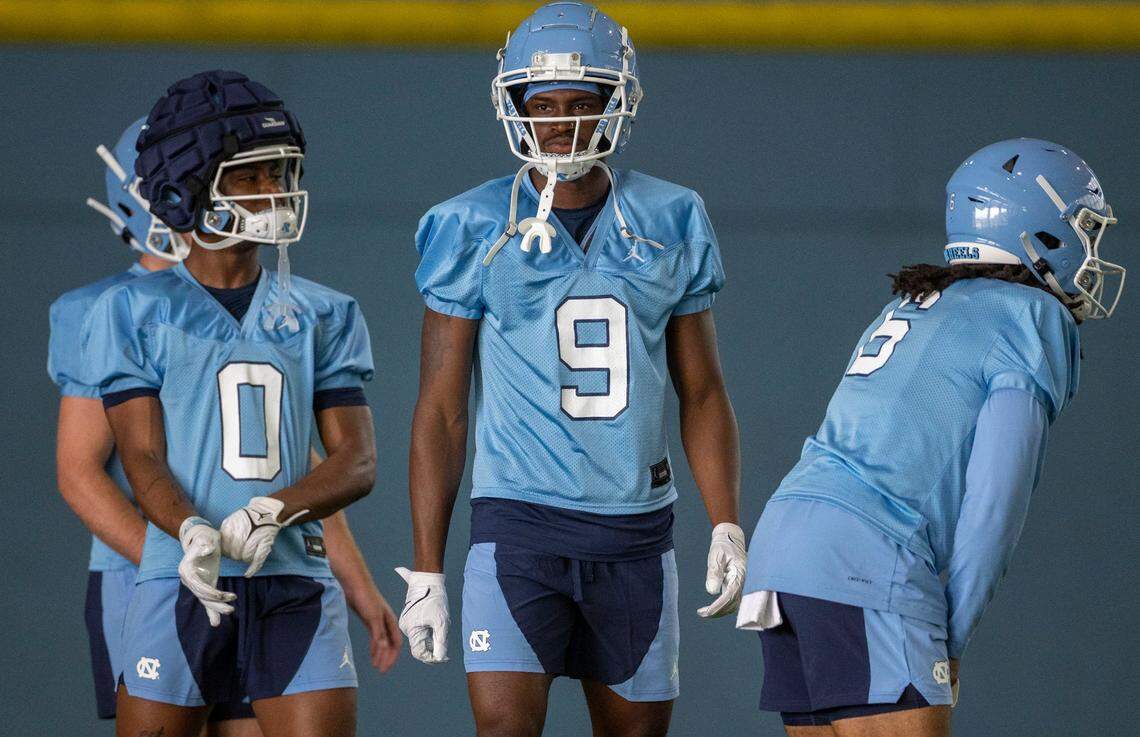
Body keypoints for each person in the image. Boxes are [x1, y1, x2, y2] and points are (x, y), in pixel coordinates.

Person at [397, 4, 746, 736]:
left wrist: (726, 522)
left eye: (581, 104)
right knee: (503, 727)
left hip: (635, 533)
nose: (560, 124)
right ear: (516, 108)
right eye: (544, 105)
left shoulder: (672, 216)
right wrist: (427, 566)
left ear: (615, 105)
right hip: (518, 523)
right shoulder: (469, 225)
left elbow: (703, 388)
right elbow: (440, 409)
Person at [736, 139, 1124, 737]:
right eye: (1084, 228)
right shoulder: (1029, 314)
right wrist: (952, 636)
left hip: (786, 550)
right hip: (868, 556)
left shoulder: (919, 301)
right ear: (1040, 230)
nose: (1092, 247)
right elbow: (996, 499)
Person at [79, 71, 384, 737]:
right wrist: (190, 530)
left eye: (280, 170)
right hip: (180, 579)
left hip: (294, 582)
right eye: (251, 175)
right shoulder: (131, 312)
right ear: (185, 187)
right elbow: (141, 455)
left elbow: (358, 462)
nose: (275, 189)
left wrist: (276, 507)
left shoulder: (324, 311)